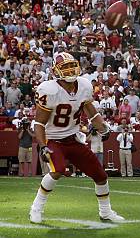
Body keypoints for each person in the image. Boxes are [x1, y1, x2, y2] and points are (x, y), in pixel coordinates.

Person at [29, 53, 123, 223]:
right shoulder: (48, 90)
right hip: (53, 139)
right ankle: (36, 208)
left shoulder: (85, 86)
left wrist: (103, 128)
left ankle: (106, 212)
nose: (70, 70)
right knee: (57, 170)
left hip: (73, 138)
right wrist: (43, 145)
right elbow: (39, 123)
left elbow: (91, 112)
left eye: (71, 65)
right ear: (55, 71)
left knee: (100, 175)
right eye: (65, 67)